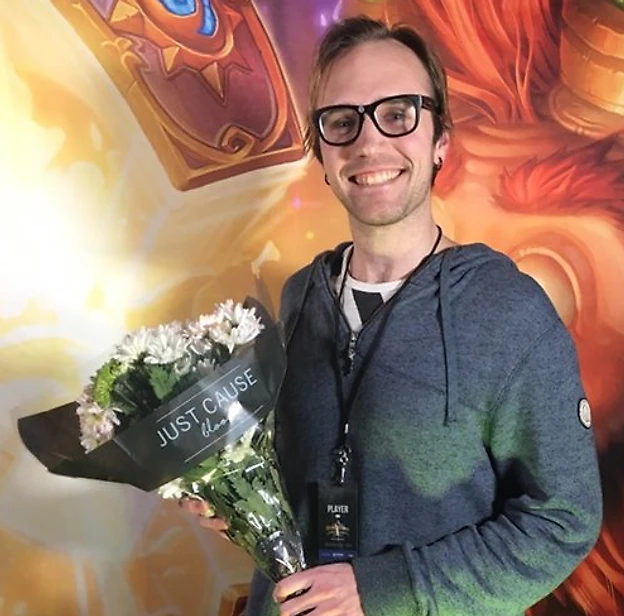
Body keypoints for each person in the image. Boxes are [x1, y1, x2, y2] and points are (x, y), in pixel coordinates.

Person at [194, 15, 603, 616]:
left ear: (441, 141)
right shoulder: (300, 299)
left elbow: (562, 521)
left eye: (398, 113)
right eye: (342, 121)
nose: (369, 142)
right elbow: (302, 477)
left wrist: (383, 587)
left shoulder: (508, 312)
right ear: (322, 153)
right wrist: (235, 494)